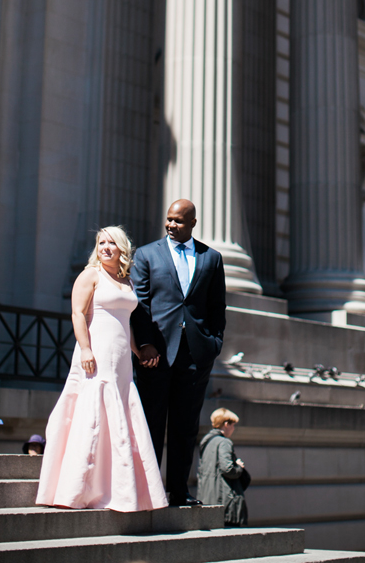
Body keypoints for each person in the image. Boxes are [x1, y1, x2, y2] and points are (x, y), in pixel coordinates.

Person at [35, 226, 167, 512]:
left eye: (111, 242)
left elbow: (125, 324)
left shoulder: (127, 281)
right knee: (92, 416)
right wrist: (84, 348)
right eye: (101, 242)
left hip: (121, 361)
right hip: (95, 353)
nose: (105, 247)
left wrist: (139, 351)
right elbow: (77, 314)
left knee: (118, 416)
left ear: (122, 248)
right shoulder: (90, 275)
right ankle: (77, 490)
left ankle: (117, 490)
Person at [131, 199, 226, 507]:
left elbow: (216, 308)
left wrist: (213, 345)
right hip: (155, 354)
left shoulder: (211, 258)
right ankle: (149, 488)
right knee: (152, 423)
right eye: (169, 220)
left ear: (193, 224)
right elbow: (140, 305)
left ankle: (179, 491)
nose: (171, 225)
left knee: (186, 427)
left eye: (178, 221)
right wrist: (145, 344)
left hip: (195, 355)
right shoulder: (146, 255)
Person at [197, 408, 249, 526]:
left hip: (207, 501)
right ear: (226, 424)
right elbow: (228, 469)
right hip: (225, 503)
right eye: (233, 425)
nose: (233, 429)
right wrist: (239, 467)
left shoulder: (206, 442)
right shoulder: (224, 442)